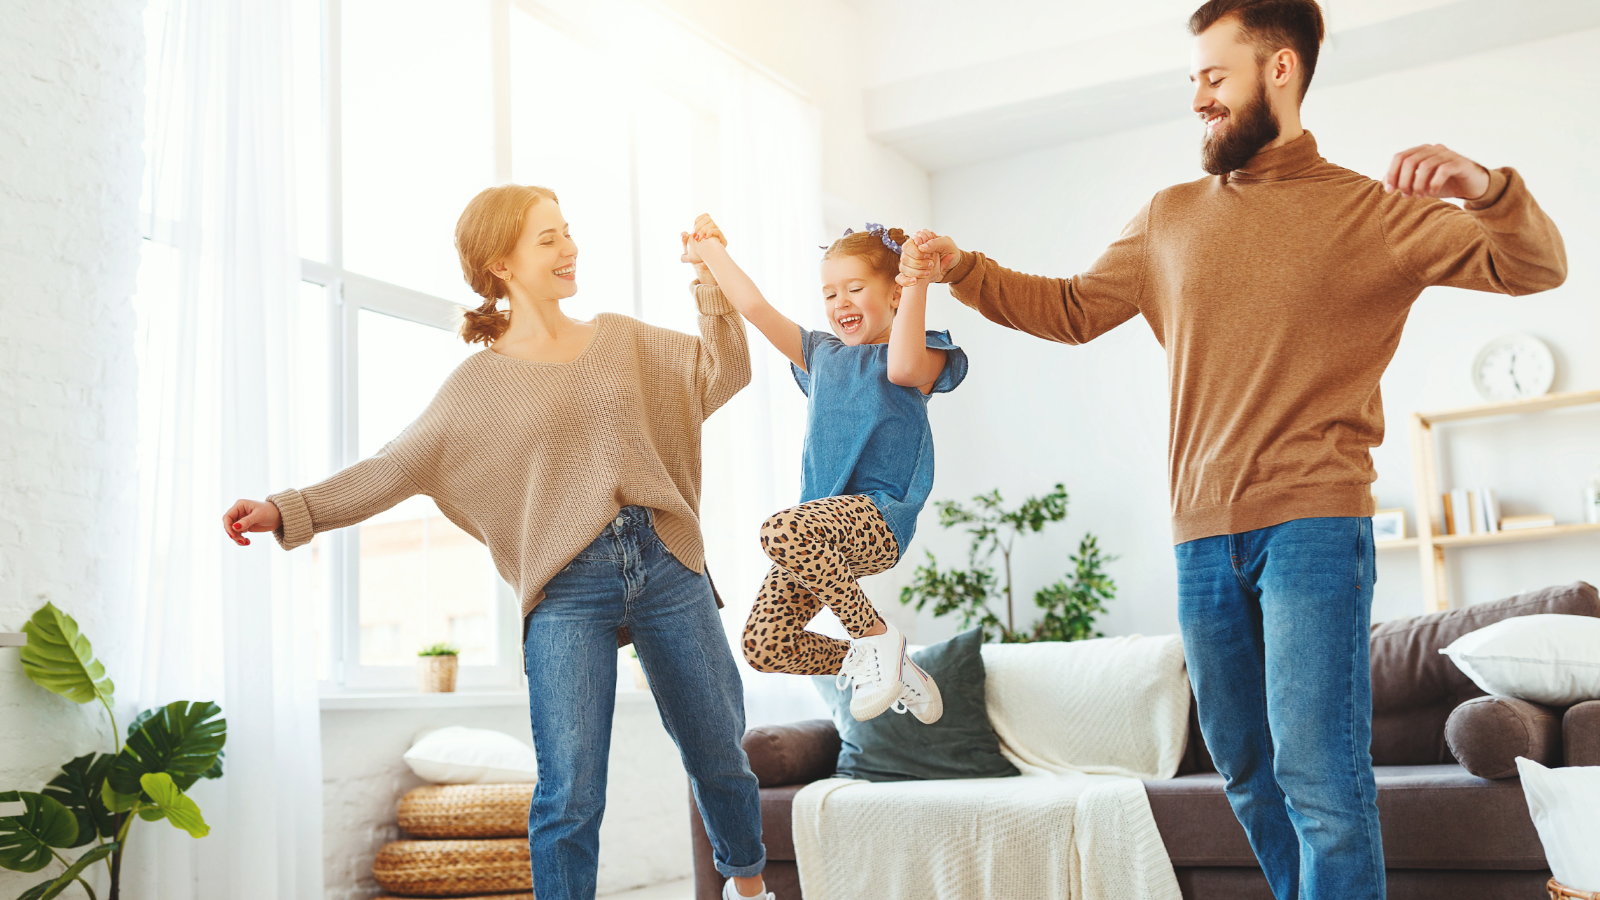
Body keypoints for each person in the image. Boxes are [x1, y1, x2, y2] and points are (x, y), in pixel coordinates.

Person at [898, 1, 1566, 897]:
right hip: (1200, 537)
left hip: (1315, 528)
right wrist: (963, 267)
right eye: (1194, 82)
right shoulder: (1168, 217)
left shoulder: (1373, 213)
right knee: (1247, 776)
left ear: (1279, 70)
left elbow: (1536, 266)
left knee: (1318, 778)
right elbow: (1069, 309)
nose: (1200, 99)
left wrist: (1485, 189)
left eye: (1215, 77)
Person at [222, 185, 778, 900]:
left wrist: (708, 282)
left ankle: (749, 887)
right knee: (569, 792)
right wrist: (285, 509)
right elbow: (393, 467)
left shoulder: (621, 338)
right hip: (567, 586)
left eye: (568, 231)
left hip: (665, 560)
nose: (569, 247)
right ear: (501, 263)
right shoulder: (476, 387)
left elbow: (722, 370)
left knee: (718, 754)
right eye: (548, 238)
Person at [684, 216, 967, 724]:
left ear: (895, 294)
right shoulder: (819, 353)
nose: (840, 303)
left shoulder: (924, 355)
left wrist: (917, 280)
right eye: (829, 293)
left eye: (855, 288)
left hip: (876, 521)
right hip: (815, 538)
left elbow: (900, 367)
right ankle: (886, 662)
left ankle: (876, 638)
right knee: (765, 645)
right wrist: (709, 253)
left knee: (778, 530)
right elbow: (754, 307)